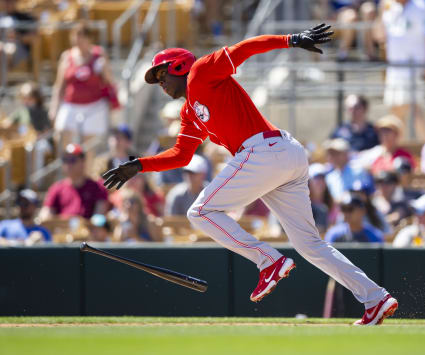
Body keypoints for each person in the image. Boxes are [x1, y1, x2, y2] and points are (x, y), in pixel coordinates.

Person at [102, 25, 398, 325]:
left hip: (265, 151)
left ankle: (267, 259)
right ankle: (376, 298)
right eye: (157, 79)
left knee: (200, 211)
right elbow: (181, 155)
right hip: (282, 155)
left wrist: (291, 40)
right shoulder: (189, 111)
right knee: (309, 244)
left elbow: (245, 48)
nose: (160, 82)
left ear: (179, 66)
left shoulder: (201, 71)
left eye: (162, 74)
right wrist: (139, 165)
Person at [49, 22, 116, 148]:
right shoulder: (66, 56)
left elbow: (110, 81)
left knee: (88, 145)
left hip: (93, 105)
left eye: (82, 36)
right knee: (61, 134)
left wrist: (104, 68)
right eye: (76, 36)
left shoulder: (99, 54)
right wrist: (54, 107)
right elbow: (59, 85)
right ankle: (69, 164)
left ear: (89, 38)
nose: (78, 40)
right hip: (71, 104)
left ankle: (86, 167)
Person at [376, 0, 425, 140]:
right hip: (395, 70)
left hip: (415, 68)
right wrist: (380, 12)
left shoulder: (423, 8)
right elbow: (378, 36)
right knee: (396, 110)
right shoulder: (390, 8)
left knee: (416, 109)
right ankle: (398, 148)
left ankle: (423, 146)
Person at [39, 144, 109, 220]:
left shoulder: (98, 187)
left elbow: (99, 217)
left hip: (87, 230)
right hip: (62, 230)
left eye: (72, 160)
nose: (68, 164)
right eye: (65, 160)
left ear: (83, 162)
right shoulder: (56, 188)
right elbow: (46, 215)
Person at [308, 163, 336, 233]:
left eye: (323, 177)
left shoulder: (332, 203)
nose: (320, 181)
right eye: (316, 178)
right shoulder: (302, 202)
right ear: (309, 181)